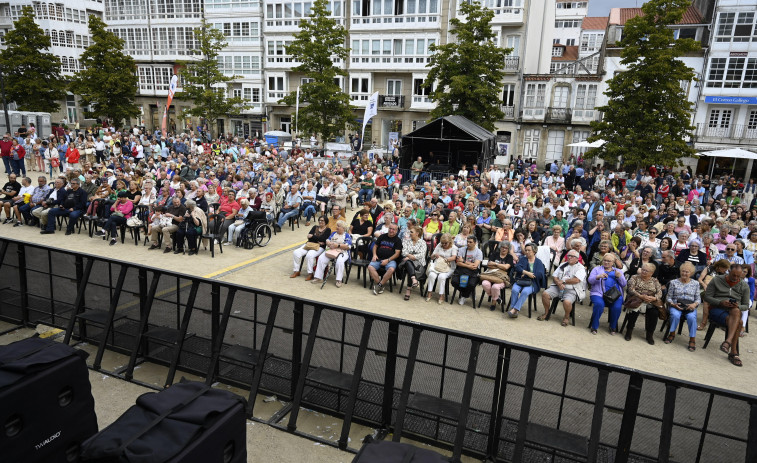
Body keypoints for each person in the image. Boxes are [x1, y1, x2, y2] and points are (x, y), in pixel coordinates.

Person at [703, 264, 750, 367]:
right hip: (717, 309)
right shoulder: (717, 280)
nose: (736, 278)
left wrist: (738, 306)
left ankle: (728, 342)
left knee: (736, 311)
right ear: (728, 271)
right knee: (739, 322)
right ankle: (734, 353)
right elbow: (707, 297)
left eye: (739, 276)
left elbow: (746, 306)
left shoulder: (744, 285)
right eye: (734, 275)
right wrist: (720, 302)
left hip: (733, 311)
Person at [540, 250, 586, 325]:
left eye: (572, 256)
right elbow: (555, 275)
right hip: (558, 287)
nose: (569, 257)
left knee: (567, 302)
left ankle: (566, 317)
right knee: (545, 294)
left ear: (577, 259)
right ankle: (547, 313)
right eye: (568, 256)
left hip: (572, 289)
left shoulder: (580, 268)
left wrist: (563, 282)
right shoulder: (563, 264)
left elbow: (576, 280)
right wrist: (558, 283)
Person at [623, 263, 664, 344]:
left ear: (651, 273)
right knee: (634, 311)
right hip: (636, 299)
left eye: (646, 271)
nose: (643, 272)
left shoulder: (655, 280)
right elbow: (630, 289)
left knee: (654, 312)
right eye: (643, 269)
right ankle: (629, 330)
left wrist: (654, 298)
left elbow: (660, 292)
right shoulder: (634, 277)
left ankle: (649, 334)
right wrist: (640, 296)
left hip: (650, 301)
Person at [665, 262, 701, 351]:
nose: (684, 273)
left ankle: (692, 339)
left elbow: (698, 299)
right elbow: (668, 297)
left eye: (687, 272)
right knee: (675, 315)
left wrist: (694, 304)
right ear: (680, 271)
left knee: (692, 317)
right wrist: (673, 304)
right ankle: (672, 333)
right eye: (683, 271)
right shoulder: (673, 282)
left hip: (690, 306)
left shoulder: (696, 284)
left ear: (691, 273)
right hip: (676, 305)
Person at [587, 254, 627, 335]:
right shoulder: (597, 269)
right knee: (599, 304)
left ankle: (612, 326)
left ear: (613, 262)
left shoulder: (618, 271)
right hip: (598, 293)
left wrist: (619, 277)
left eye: (609, 261)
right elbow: (590, 281)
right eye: (605, 260)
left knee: (617, 307)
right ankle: (594, 326)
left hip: (614, 295)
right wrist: (598, 277)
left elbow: (623, 284)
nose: (606, 262)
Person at [507, 243, 546, 318]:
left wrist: (527, 274)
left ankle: (515, 309)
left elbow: (540, 274)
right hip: (520, 280)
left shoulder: (538, 262)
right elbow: (517, 267)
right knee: (514, 290)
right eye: (526, 250)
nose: (527, 252)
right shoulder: (523, 259)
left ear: (534, 251)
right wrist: (526, 273)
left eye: (529, 250)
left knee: (525, 291)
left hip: (532, 282)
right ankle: (514, 309)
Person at [312, 220, 352, 287]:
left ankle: (339, 280)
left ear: (343, 228)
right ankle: (318, 277)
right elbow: (327, 240)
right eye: (337, 225)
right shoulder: (334, 233)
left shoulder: (347, 235)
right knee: (321, 258)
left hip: (342, 252)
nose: (337, 227)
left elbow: (348, 246)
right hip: (331, 250)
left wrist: (338, 245)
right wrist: (329, 243)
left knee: (340, 262)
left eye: (338, 226)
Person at [369, 222, 403, 295]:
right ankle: (380, 284)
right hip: (379, 258)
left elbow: (397, 253)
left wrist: (388, 260)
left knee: (391, 269)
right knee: (370, 267)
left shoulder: (398, 240)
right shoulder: (382, 236)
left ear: (396, 231)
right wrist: (374, 255)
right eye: (390, 228)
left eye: (393, 229)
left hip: (390, 260)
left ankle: (379, 285)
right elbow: (375, 246)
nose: (391, 230)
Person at [425, 233, 458, 304]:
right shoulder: (439, 245)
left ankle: (441, 295)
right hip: (437, 265)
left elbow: (454, 257)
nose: (443, 245)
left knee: (441, 277)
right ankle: (429, 292)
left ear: (450, 241)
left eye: (445, 243)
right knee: (431, 275)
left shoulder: (453, 247)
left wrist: (446, 259)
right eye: (442, 243)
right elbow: (432, 256)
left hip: (448, 267)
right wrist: (434, 255)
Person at [481, 241, 513, 311]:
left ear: (508, 249)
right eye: (502, 247)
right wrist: (501, 266)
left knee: (495, 287)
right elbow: (489, 264)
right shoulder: (494, 254)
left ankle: (494, 302)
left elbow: (506, 267)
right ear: (500, 247)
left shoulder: (509, 257)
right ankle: (496, 297)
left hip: (502, 278)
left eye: (506, 248)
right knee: (484, 283)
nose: (504, 249)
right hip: (491, 275)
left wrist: (495, 264)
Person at [451, 234, 482, 305]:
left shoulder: (478, 252)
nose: (468, 243)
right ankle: (467, 292)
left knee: (471, 284)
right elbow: (458, 263)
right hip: (461, 270)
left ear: (475, 243)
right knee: (454, 282)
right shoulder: (462, 249)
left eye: (470, 242)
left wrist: (464, 261)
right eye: (467, 242)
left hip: (472, 272)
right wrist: (468, 265)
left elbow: (475, 266)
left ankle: (464, 295)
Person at [400, 226, 427, 301]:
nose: (409, 233)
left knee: (409, 263)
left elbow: (421, 255)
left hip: (419, 264)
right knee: (408, 263)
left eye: (411, 232)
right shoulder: (406, 241)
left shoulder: (423, 243)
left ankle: (409, 288)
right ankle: (413, 280)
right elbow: (404, 252)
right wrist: (410, 257)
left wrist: (409, 256)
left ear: (417, 233)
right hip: (408, 263)